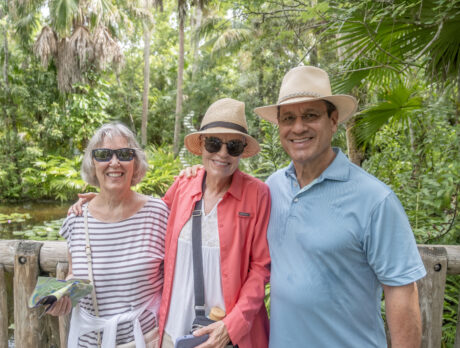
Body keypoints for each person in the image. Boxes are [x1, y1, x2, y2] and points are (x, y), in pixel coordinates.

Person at [71, 99, 271, 348]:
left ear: (241, 150)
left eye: (232, 146)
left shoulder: (258, 194)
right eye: (213, 143)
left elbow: (261, 269)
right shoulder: (184, 185)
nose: (222, 153)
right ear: (201, 147)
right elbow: (143, 211)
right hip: (172, 330)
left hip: (225, 334)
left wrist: (231, 327)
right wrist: (103, 199)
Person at [253, 65, 427, 347]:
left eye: (310, 115)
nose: (298, 127)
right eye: (288, 118)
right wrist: (198, 174)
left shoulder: (375, 200)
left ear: (333, 121)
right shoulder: (272, 187)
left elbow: (403, 293)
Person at [49, 122, 168, 348]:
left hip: (144, 341)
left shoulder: (158, 213)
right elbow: (74, 275)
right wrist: (62, 297)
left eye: (124, 154)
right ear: (93, 163)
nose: (114, 162)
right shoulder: (76, 218)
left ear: (135, 162)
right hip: (89, 341)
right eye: (103, 154)